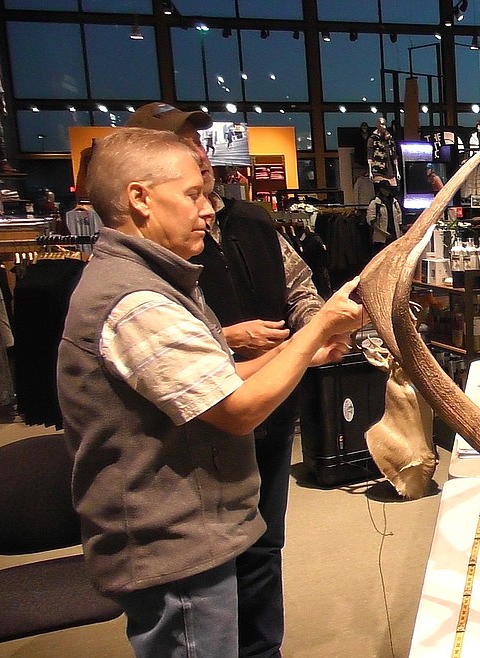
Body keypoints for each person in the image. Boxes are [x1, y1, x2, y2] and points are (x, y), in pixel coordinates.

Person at [57, 127, 364, 658]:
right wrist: (315, 329)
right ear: (140, 199)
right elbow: (236, 409)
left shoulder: (160, 281)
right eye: (192, 195)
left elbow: (216, 377)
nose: (207, 209)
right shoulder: (135, 301)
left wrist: (304, 353)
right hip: (175, 545)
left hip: (199, 530)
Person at [128, 101, 325, 657]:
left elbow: (300, 285)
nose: (198, 151)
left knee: (265, 543)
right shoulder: (151, 258)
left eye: (197, 138)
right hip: (204, 429)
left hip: (272, 406)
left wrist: (316, 332)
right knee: (209, 566)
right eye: (180, 143)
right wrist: (228, 340)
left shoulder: (253, 220)